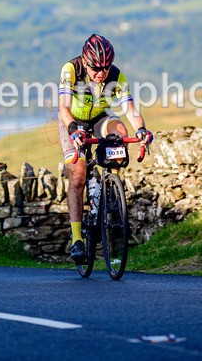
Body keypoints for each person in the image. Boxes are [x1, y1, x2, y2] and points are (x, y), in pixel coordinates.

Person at [58, 34, 154, 262]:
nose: (101, 73)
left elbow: (130, 110)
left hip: (100, 117)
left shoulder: (116, 76)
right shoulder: (71, 69)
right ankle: (77, 240)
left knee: (120, 132)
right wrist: (73, 129)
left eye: (105, 67)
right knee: (78, 178)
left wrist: (141, 130)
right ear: (85, 60)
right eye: (95, 68)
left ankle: (110, 185)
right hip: (72, 121)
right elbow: (63, 108)